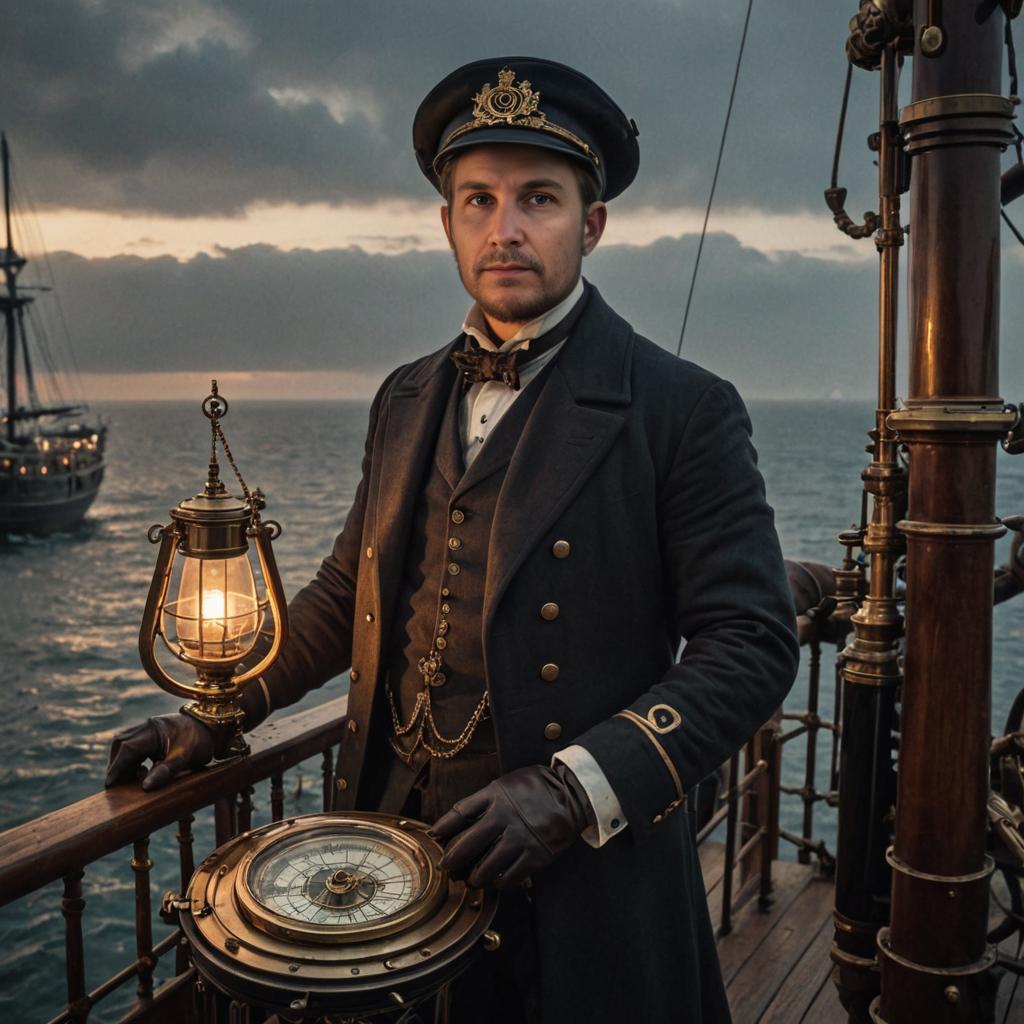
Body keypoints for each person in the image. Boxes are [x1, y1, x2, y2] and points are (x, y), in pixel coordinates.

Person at [106, 57, 800, 1023]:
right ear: (447, 224)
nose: (504, 228)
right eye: (477, 201)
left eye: (538, 199)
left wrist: (571, 789)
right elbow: (347, 596)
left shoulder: (683, 409)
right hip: (393, 856)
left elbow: (753, 644)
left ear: (590, 225)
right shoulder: (404, 396)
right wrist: (220, 710)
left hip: (577, 875)